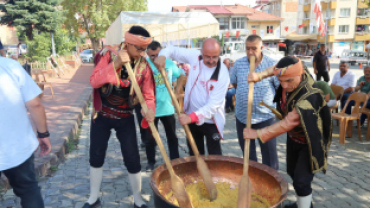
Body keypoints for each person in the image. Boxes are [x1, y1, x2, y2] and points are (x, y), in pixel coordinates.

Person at [245, 56, 332, 208]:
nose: (284, 86)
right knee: (292, 172)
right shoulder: (292, 71)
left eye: (289, 81)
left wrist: (257, 133)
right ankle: (303, 204)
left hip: (310, 142)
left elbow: (287, 123)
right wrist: (258, 76)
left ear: (300, 74)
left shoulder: (309, 96)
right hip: (294, 138)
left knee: (301, 180)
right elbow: (275, 69)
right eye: (281, 81)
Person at [86, 26, 155, 208]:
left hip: (125, 117)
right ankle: (93, 198)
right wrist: (115, 64)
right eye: (138, 49)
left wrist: (150, 110)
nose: (142, 53)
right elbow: (94, 81)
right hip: (102, 115)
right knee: (96, 155)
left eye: (144, 49)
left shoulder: (144, 66)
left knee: (132, 158)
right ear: (128, 43)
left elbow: (148, 95)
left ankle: (138, 199)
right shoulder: (108, 54)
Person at [155, 38, 229, 156]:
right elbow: (173, 51)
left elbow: (213, 105)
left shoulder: (223, 73)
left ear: (219, 53)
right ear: (201, 52)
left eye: (214, 57)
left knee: (215, 157)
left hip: (211, 121)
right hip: (191, 115)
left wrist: (191, 117)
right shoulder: (195, 56)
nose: (211, 61)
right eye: (207, 57)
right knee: (194, 153)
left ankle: (213, 174)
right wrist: (162, 55)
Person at [0, 57, 51, 208]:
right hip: (16, 145)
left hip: (16, 145)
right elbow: (35, 104)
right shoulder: (10, 66)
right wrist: (43, 134)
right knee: (29, 190)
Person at [230, 35, 279, 170]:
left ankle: (271, 185)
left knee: (269, 156)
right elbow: (234, 83)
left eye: (254, 49)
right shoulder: (239, 64)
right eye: (247, 49)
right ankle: (253, 182)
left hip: (265, 118)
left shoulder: (272, 64)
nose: (250, 52)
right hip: (243, 117)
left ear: (261, 48)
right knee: (248, 155)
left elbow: (279, 88)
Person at [144, 41, 185, 171]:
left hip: (167, 107)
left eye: (158, 54)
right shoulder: (144, 66)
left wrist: (177, 92)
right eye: (152, 56)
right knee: (150, 139)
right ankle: (151, 162)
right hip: (151, 109)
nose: (155, 58)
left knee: (172, 136)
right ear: (147, 54)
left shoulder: (169, 63)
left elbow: (182, 75)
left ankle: (175, 161)